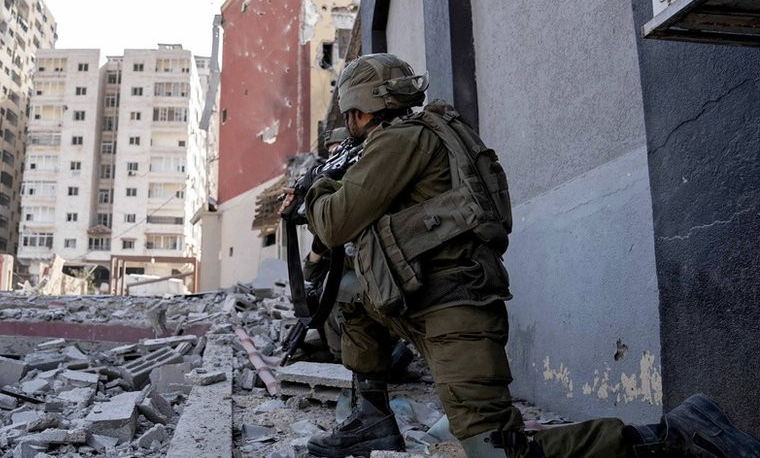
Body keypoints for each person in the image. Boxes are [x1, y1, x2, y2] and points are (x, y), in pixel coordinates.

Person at [282, 53, 760, 458]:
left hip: (451, 310)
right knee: (345, 292)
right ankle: (372, 418)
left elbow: (332, 221)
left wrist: (316, 187)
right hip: (417, 298)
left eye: (352, 115)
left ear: (363, 109)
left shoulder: (400, 141)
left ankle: (676, 436)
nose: (350, 125)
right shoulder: (415, 134)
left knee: (495, 449)